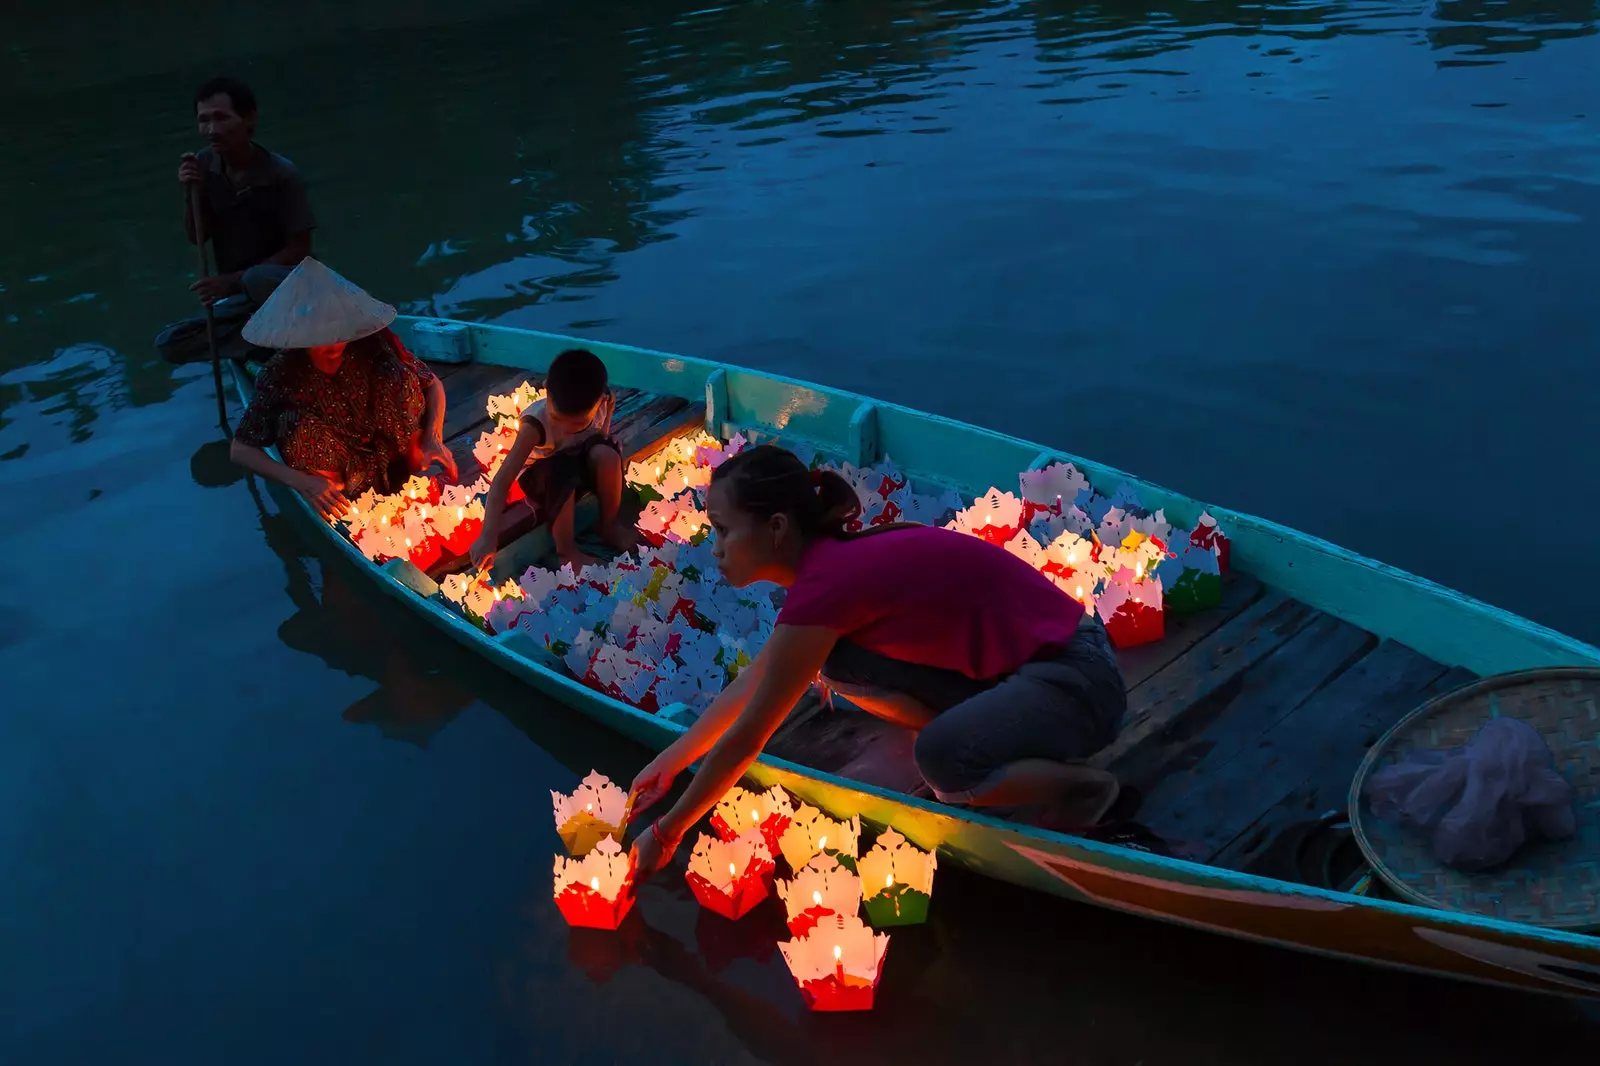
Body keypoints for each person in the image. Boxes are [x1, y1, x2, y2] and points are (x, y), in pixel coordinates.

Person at [627, 444, 1128, 876]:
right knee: (838, 664)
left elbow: (751, 733)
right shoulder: (826, 568)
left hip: (1078, 680)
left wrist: (669, 833)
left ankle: (1085, 787)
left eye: (723, 530)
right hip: (1030, 676)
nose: (715, 548)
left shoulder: (828, 584)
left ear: (776, 528)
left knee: (941, 761)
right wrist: (668, 763)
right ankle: (983, 743)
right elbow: (758, 679)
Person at [228, 258, 457, 519]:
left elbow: (431, 383)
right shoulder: (280, 372)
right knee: (297, 424)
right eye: (322, 335)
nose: (335, 343)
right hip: (335, 476)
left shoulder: (372, 342)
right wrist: (302, 482)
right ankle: (338, 500)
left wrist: (433, 437)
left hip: (389, 453)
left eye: (339, 331)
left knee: (398, 376)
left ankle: (412, 456)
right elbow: (241, 449)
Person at [155, 76, 317, 365]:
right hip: (243, 301)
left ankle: (276, 336)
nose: (211, 130)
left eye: (221, 118)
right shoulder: (204, 165)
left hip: (290, 290)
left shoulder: (281, 174)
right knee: (170, 343)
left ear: (248, 119)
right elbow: (197, 237)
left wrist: (233, 281)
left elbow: (300, 250)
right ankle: (263, 342)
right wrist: (189, 192)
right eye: (203, 120)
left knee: (258, 279)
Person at [469, 348, 635, 572]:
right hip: (543, 475)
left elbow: (598, 436)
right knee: (561, 468)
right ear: (545, 388)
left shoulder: (603, 402)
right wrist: (488, 536)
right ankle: (567, 551)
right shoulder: (534, 425)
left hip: (576, 460)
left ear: (601, 401)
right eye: (558, 420)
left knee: (608, 453)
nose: (566, 431)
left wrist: (605, 443)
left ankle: (609, 525)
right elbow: (503, 479)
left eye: (576, 425)